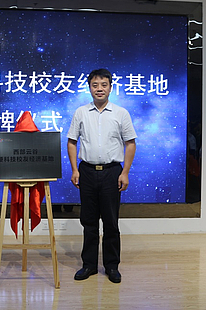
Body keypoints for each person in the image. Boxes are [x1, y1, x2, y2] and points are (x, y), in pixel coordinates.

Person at [67, 68, 137, 284]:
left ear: (110, 87)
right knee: (88, 222)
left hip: (112, 173)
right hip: (87, 172)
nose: (99, 89)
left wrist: (125, 172)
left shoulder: (121, 113)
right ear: (89, 88)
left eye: (104, 85)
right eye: (95, 85)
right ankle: (89, 265)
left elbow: (130, 143)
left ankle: (112, 266)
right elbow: (72, 142)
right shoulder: (80, 112)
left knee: (111, 222)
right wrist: (75, 170)